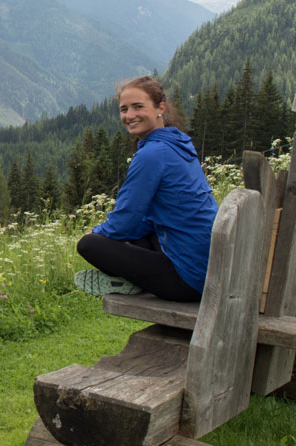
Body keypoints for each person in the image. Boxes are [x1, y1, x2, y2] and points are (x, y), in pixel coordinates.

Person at [74, 76, 217, 302]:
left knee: (89, 245)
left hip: (190, 280)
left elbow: (125, 219)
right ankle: (132, 280)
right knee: (137, 234)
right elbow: (148, 219)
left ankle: (130, 281)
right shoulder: (178, 143)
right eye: (124, 109)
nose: (129, 116)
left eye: (138, 107)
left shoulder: (152, 154)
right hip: (208, 266)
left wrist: (97, 233)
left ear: (161, 107)